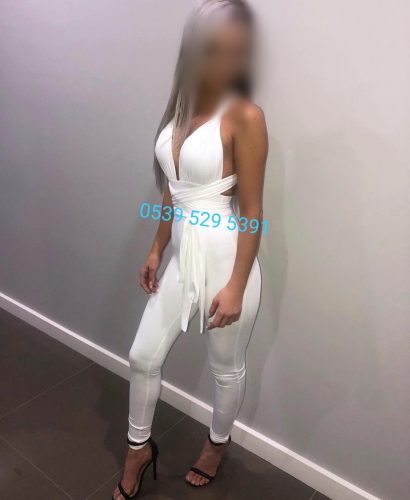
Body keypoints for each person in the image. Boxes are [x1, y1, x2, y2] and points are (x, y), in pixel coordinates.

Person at [113, 0, 268, 498]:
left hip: (227, 263)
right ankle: (137, 449)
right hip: (182, 259)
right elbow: (172, 191)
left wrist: (237, 285)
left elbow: (252, 210)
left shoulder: (245, 116)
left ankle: (217, 445)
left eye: (237, 48)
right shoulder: (179, 110)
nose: (228, 57)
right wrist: (156, 249)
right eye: (217, 45)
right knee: (142, 356)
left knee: (227, 368)